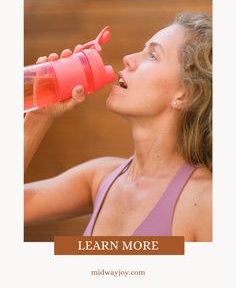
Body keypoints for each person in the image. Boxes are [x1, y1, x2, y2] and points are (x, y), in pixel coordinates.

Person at [24, 12, 212, 241]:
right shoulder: (100, 177)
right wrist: (38, 118)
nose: (128, 58)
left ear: (184, 95)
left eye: (152, 55)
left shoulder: (206, 201)